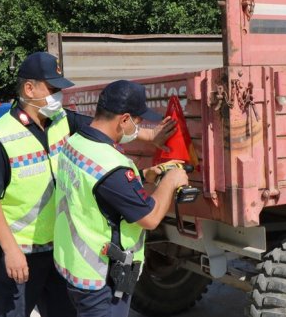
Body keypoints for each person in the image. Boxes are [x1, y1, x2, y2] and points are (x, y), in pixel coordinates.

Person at [0, 53, 174, 317]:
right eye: (53, 89)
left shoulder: (61, 121)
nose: (60, 97)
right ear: (29, 88)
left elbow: (102, 131)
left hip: (58, 250)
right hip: (20, 252)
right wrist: (10, 250)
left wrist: (149, 136)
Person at [52, 80, 190, 317]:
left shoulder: (75, 143)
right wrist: (171, 181)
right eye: (137, 121)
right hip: (101, 280)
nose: (138, 127)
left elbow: (98, 189)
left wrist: (143, 175)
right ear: (124, 119)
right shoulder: (112, 166)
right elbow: (150, 218)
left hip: (75, 265)